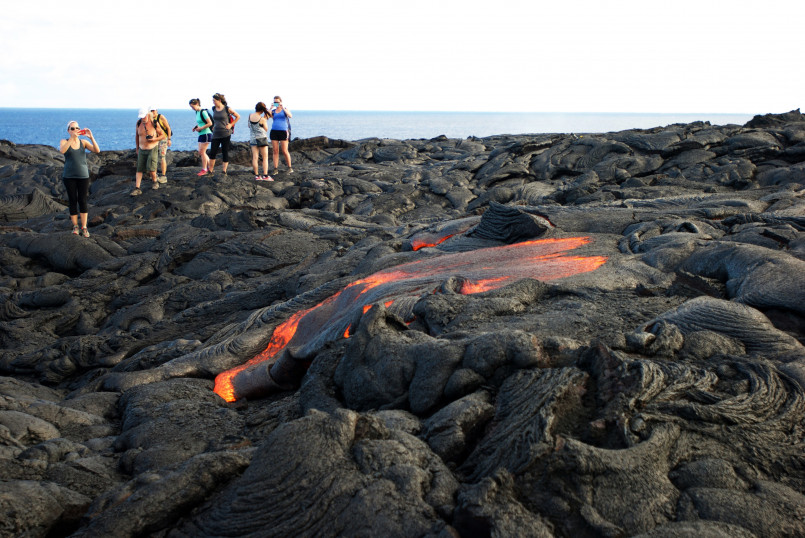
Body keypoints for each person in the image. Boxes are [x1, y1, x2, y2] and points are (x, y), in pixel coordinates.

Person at [59, 121, 100, 237]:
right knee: (72, 200)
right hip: (69, 176)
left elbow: (97, 150)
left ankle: (84, 227)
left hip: (83, 176)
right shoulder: (64, 141)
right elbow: (63, 151)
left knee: (82, 201)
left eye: (77, 128)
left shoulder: (83, 142)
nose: (75, 130)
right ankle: (75, 226)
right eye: (72, 128)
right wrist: (72, 138)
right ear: (68, 130)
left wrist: (91, 137)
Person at [132, 107, 166, 196]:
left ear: (147, 115)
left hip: (152, 148)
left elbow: (162, 135)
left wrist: (154, 139)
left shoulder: (154, 123)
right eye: (141, 117)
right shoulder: (139, 123)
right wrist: (137, 148)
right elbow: (137, 136)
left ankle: (155, 181)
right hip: (142, 149)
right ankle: (137, 188)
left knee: (151, 168)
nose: (142, 118)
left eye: (144, 116)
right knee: (139, 169)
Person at [207, 93, 239, 175]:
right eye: (212, 101)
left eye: (214, 101)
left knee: (225, 151)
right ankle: (210, 170)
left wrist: (231, 125)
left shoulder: (227, 109)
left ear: (219, 100)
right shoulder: (213, 108)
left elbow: (238, 116)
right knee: (213, 152)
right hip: (216, 133)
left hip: (226, 133)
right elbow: (215, 120)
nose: (213, 102)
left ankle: (224, 170)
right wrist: (214, 126)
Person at [249, 102, 273, 181]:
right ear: (262, 110)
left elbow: (249, 126)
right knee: (265, 157)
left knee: (255, 157)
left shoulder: (250, 116)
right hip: (262, 138)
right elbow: (266, 129)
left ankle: (257, 175)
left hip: (253, 138)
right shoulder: (262, 119)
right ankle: (265, 175)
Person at [189, 98, 213, 176]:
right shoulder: (197, 112)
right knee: (201, 152)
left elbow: (210, 123)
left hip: (206, 134)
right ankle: (210, 167)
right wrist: (196, 127)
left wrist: (201, 128)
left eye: (192, 107)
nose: (192, 109)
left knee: (202, 152)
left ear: (197, 104)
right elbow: (201, 122)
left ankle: (204, 169)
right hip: (201, 134)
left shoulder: (203, 112)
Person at [270, 95, 293, 175]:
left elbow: (290, 115)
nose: (276, 103)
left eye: (277, 102)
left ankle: (290, 168)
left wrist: (282, 107)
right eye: (275, 102)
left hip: (283, 131)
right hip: (274, 131)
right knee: (275, 151)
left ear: (281, 102)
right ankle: (275, 169)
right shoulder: (273, 111)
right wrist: (271, 108)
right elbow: (268, 116)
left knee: (284, 150)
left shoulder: (284, 109)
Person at [151, 107, 172, 183]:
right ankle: (155, 175)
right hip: (155, 140)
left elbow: (168, 128)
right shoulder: (149, 119)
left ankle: (163, 176)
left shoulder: (160, 117)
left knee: (162, 157)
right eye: (151, 111)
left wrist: (169, 139)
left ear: (156, 110)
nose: (153, 112)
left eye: (153, 110)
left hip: (163, 139)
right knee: (154, 158)